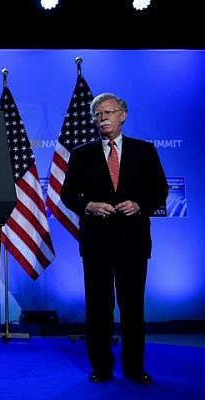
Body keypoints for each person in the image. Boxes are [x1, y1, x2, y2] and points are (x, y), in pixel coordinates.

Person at [61, 92, 168, 385]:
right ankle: (102, 367)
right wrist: (88, 205)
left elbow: (160, 189)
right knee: (99, 307)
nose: (102, 118)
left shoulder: (144, 151)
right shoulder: (82, 153)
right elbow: (67, 194)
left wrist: (139, 205)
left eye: (108, 112)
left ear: (123, 115)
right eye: (97, 114)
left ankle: (134, 368)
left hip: (133, 241)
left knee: (133, 307)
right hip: (97, 241)